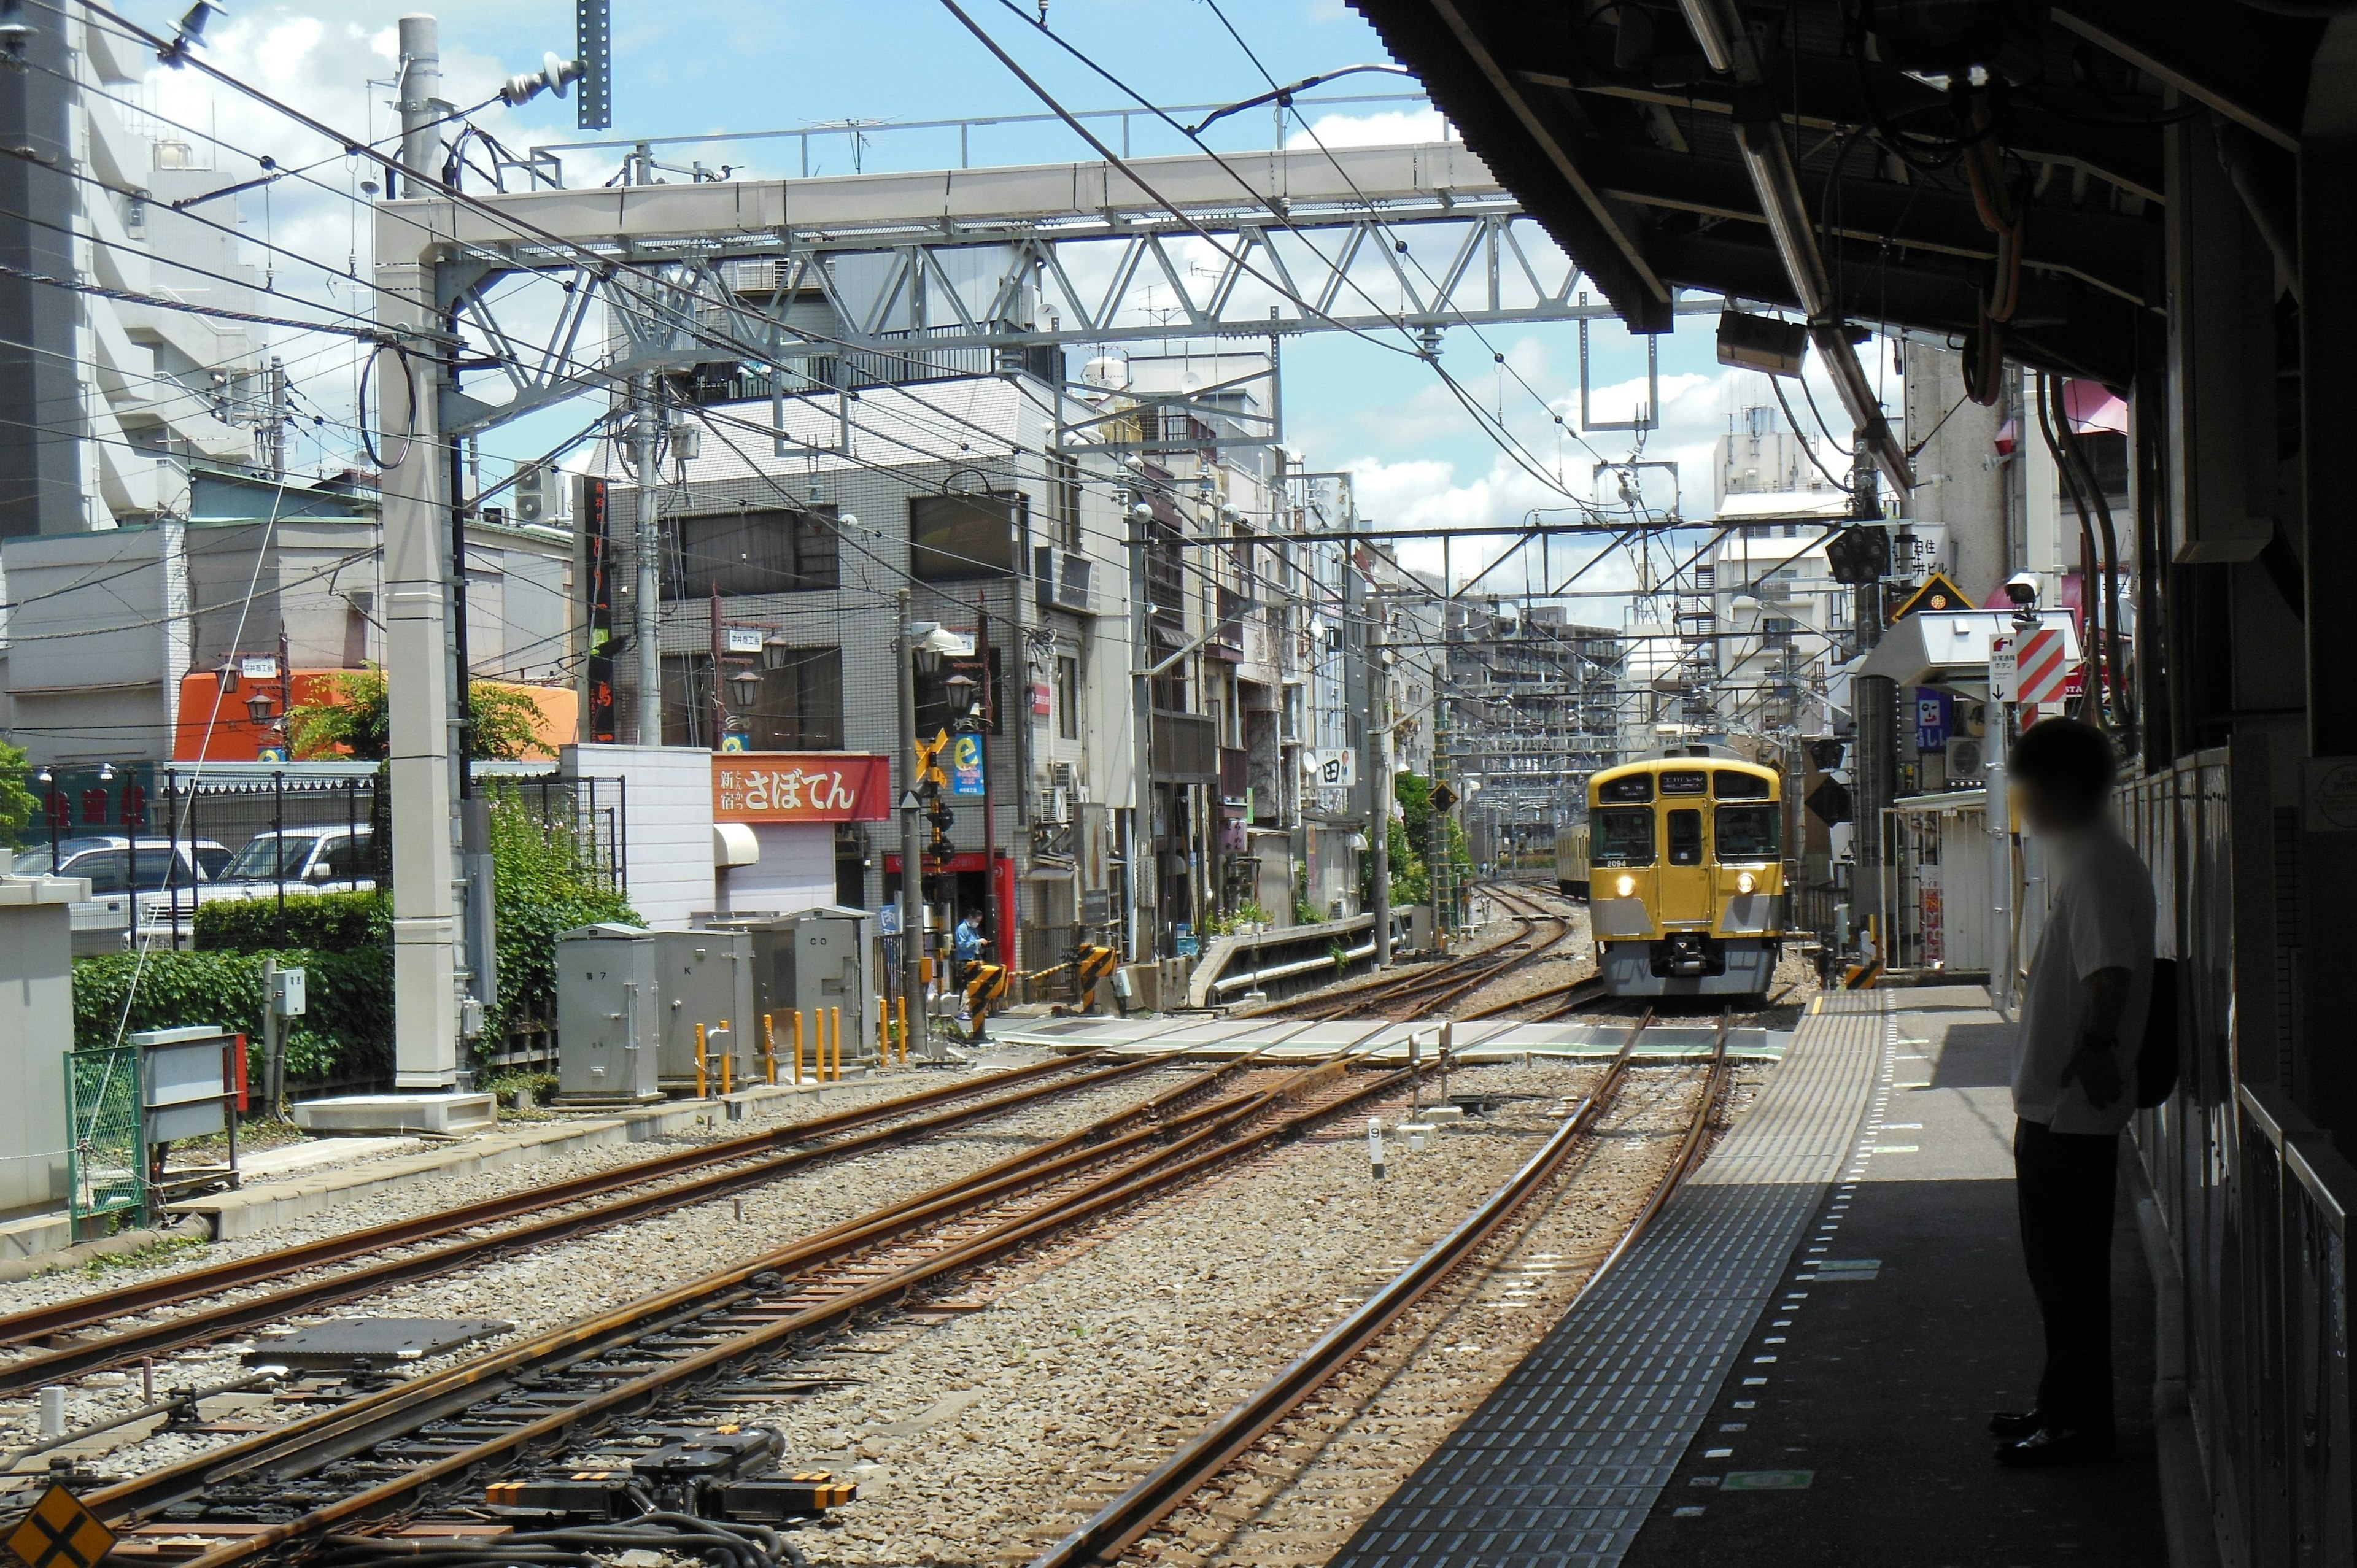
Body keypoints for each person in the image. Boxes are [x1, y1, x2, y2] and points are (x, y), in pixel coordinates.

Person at [1991, 716, 2154, 1467]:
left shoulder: (2093, 865)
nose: (2023, 802)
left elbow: (2110, 971)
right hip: (2065, 1114)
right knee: (2065, 1276)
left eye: (2029, 785)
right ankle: (2062, 1406)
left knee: (2068, 1279)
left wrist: (2091, 1048)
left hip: (2067, 1118)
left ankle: (2076, 1425)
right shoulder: (2102, 859)